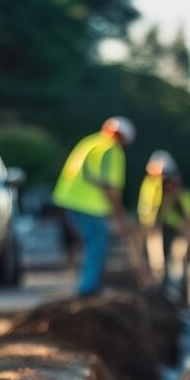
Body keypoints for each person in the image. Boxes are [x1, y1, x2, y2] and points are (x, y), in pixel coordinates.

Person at [52, 116, 136, 296]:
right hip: (89, 205)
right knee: (98, 244)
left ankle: (89, 286)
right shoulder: (112, 150)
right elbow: (111, 188)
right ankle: (88, 290)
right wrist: (119, 217)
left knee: (91, 244)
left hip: (69, 200)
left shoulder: (90, 142)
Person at [137, 150, 190, 291]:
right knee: (157, 263)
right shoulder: (149, 185)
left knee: (176, 263)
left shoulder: (179, 190)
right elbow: (148, 207)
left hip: (174, 229)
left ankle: (174, 291)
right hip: (155, 229)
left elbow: (189, 212)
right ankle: (161, 290)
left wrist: (187, 227)